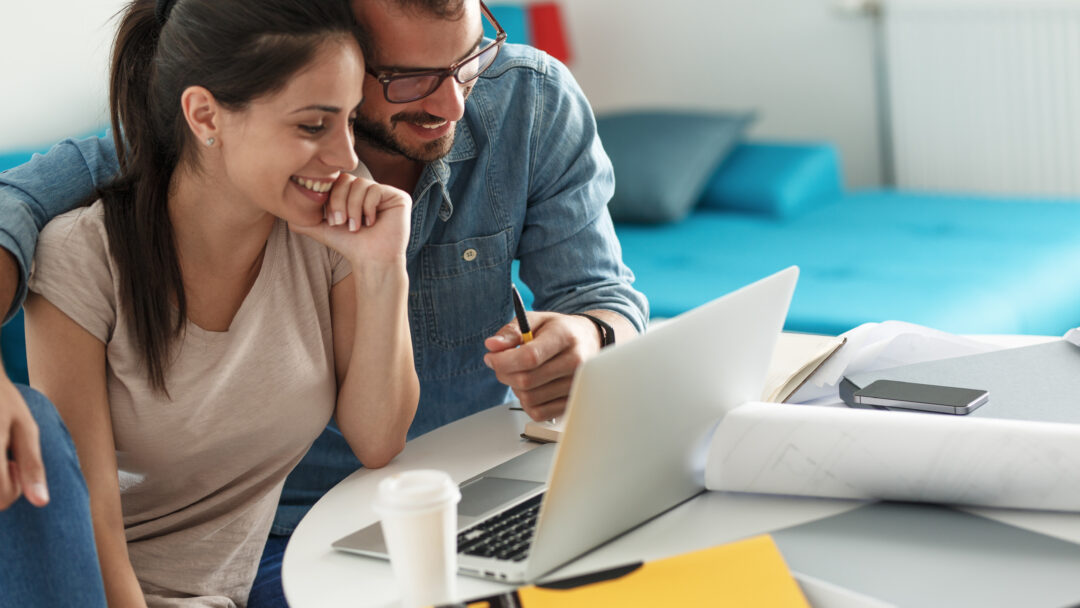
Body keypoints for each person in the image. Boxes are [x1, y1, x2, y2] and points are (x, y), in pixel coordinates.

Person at [0, 0, 648, 604]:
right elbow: (17, 202)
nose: (450, 103)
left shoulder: (516, 109)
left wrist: (589, 334)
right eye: (405, 77)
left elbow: (600, 295)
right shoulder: (148, 192)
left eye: (470, 62)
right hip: (257, 539)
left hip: (428, 493)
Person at [16, 0, 419, 604]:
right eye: (313, 125)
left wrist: (383, 266)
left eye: (350, 120)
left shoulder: (324, 235)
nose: (345, 157)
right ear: (206, 116)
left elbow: (378, 438)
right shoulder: (83, 258)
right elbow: (90, 518)